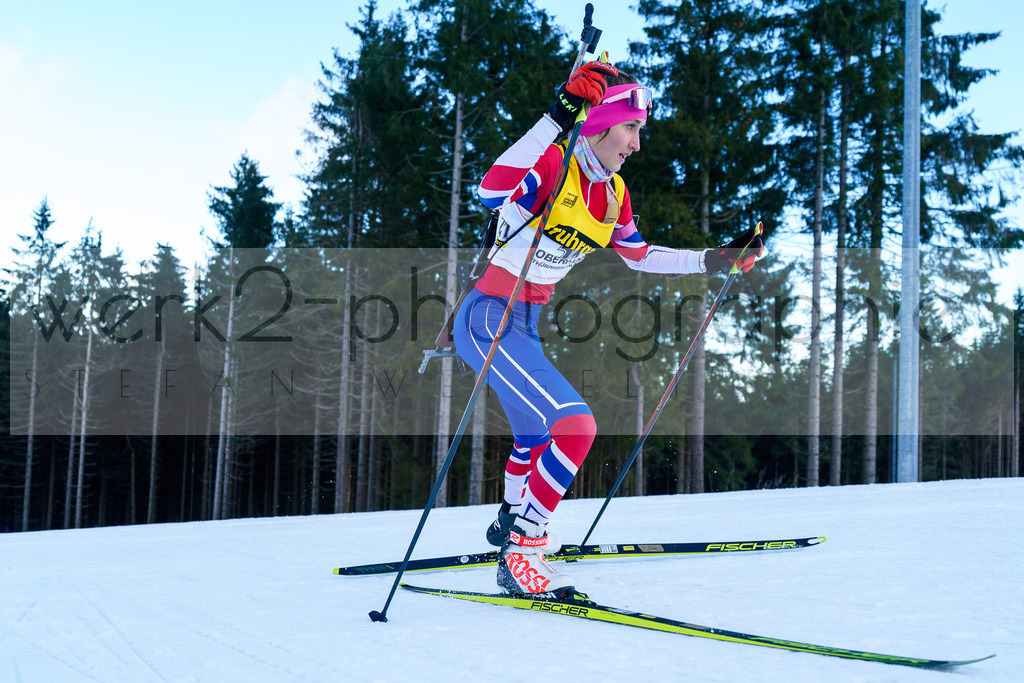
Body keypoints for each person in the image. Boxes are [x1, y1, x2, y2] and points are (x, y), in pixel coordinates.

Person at [452, 61, 763, 597]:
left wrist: (715, 260)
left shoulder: (614, 193)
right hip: (487, 318)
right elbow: (490, 190)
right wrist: (560, 113)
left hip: (524, 323)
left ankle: (509, 520)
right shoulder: (551, 166)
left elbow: (640, 255)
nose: (637, 144)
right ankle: (523, 551)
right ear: (599, 125)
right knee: (575, 426)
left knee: (534, 433)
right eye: (631, 128)